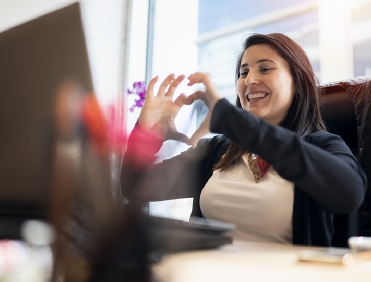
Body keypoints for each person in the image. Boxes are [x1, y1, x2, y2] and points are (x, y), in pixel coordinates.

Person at [121, 33, 367, 247]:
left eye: (265, 68)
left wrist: (234, 120)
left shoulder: (323, 146)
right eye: (243, 72)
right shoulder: (217, 151)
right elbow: (134, 186)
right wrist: (147, 135)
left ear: (298, 81)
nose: (249, 80)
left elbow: (350, 194)